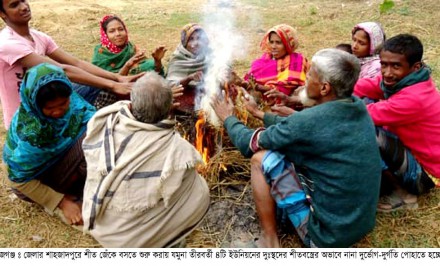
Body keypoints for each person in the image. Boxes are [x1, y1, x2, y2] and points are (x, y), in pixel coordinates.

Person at [211, 48, 382, 248]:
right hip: (358, 224)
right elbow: (305, 127)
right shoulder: (357, 107)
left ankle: (270, 239)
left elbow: (249, 144)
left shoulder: (308, 122)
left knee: (260, 159)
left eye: (310, 75)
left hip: (325, 238)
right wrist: (259, 114)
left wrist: (228, 118)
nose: (305, 80)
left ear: (325, 88)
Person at [81, 71, 210, 248]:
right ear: (169, 108)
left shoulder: (105, 121)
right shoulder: (177, 149)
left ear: (132, 105)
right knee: (199, 190)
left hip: (103, 229)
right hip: (136, 242)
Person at [0, 0, 142, 129]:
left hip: (51, 103)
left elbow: (76, 62)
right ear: (2, 14)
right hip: (26, 117)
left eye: (24, 1)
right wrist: (113, 84)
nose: (24, 7)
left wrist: (116, 78)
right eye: (14, 5)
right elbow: (62, 70)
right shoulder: (7, 43)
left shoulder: (38, 37)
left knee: (97, 85)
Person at [354, 34, 440, 212]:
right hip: (412, 152)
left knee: (367, 130)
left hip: (426, 173)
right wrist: (340, 88)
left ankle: (405, 196)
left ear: (415, 67)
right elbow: (366, 86)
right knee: (366, 101)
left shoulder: (414, 98)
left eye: (395, 66)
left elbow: (363, 115)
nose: (386, 72)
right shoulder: (403, 81)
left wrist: (328, 101)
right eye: (383, 64)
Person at [3, 63, 96, 226]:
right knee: (91, 144)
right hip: (35, 182)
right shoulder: (32, 133)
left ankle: (75, 186)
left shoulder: (72, 100)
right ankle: (65, 195)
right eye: (50, 108)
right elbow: (19, 181)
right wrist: (61, 202)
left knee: (98, 133)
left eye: (63, 104)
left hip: (59, 161)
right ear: (34, 104)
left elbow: (92, 117)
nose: (59, 111)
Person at [240, 24, 309, 109]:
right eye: (271, 42)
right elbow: (249, 80)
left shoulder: (297, 61)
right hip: (260, 103)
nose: (273, 47)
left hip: (286, 105)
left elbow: (284, 90)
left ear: (288, 44)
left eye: (278, 43)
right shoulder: (264, 59)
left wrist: (257, 87)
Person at [91, 15, 166, 76]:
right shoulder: (101, 52)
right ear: (105, 35)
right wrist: (127, 66)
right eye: (112, 31)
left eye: (121, 29)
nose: (118, 34)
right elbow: (105, 80)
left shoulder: (130, 47)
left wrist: (157, 61)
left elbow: (149, 67)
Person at [166, 23, 211, 114]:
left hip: (207, 98)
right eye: (191, 39)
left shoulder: (209, 53)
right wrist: (189, 78)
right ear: (185, 43)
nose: (196, 43)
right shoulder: (178, 59)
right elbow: (170, 87)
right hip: (184, 103)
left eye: (199, 38)